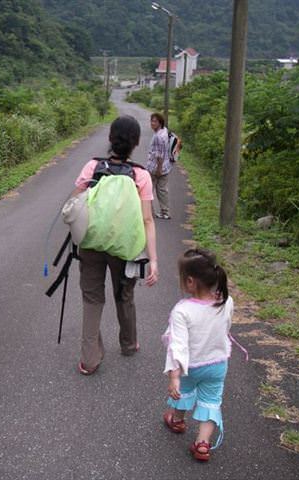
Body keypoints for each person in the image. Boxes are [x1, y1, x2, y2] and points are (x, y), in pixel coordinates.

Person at [72, 115, 159, 375]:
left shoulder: (92, 167)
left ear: (110, 138)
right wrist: (153, 259)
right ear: (136, 142)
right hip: (125, 247)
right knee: (124, 296)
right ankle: (129, 343)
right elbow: (147, 220)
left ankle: (90, 359)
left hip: (91, 244)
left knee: (92, 298)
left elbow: (76, 205)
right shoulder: (141, 175)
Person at [161, 248, 233, 461]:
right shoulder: (226, 301)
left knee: (183, 390)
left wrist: (174, 376)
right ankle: (203, 444)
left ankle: (177, 420)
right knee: (211, 400)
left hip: (190, 366)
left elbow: (178, 346)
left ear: (190, 282)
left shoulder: (183, 310)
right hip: (218, 364)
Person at [146, 112, 171, 219]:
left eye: (155, 121)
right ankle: (165, 212)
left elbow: (159, 155)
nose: (152, 123)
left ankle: (148, 212)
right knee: (162, 190)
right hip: (166, 166)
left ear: (160, 123)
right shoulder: (165, 132)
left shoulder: (158, 137)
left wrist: (158, 169)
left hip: (155, 168)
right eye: (151, 121)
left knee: (147, 190)